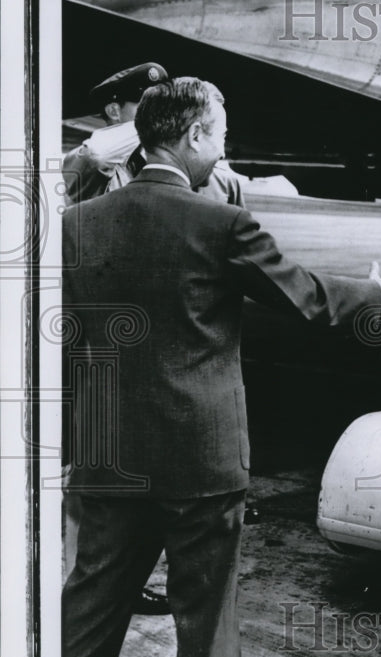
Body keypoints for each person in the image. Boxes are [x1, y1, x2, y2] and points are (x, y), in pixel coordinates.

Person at [61, 77, 381, 657]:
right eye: (219, 136)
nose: (222, 151)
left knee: (86, 616)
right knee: (206, 623)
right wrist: (374, 295)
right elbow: (304, 296)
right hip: (200, 460)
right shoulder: (220, 224)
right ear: (193, 135)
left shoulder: (77, 224)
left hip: (108, 457)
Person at [61, 63, 245, 616]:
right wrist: (155, 123)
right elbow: (91, 158)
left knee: (156, 482)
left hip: (170, 349)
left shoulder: (203, 174)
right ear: (117, 113)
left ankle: (133, 575)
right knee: (89, 477)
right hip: (105, 351)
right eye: (139, 104)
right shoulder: (94, 165)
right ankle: (81, 575)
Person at [62, 62, 245, 205]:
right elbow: (97, 153)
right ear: (114, 111)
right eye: (146, 105)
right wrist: (169, 117)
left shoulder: (221, 181)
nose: (158, 109)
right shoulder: (92, 166)